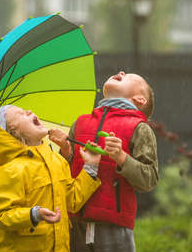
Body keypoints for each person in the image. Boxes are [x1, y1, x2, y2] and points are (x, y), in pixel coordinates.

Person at [49, 71, 159, 252]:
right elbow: (65, 174)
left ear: (140, 99)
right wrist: (66, 150)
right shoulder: (81, 122)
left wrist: (121, 157)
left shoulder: (140, 128)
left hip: (114, 226)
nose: (121, 72)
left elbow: (150, 180)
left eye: (130, 76)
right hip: (74, 222)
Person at [0, 105, 102, 252]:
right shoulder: (11, 170)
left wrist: (90, 167)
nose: (29, 111)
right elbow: (3, 216)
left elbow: (72, 200)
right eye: (22, 114)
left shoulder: (57, 160)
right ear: (13, 132)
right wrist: (34, 214)